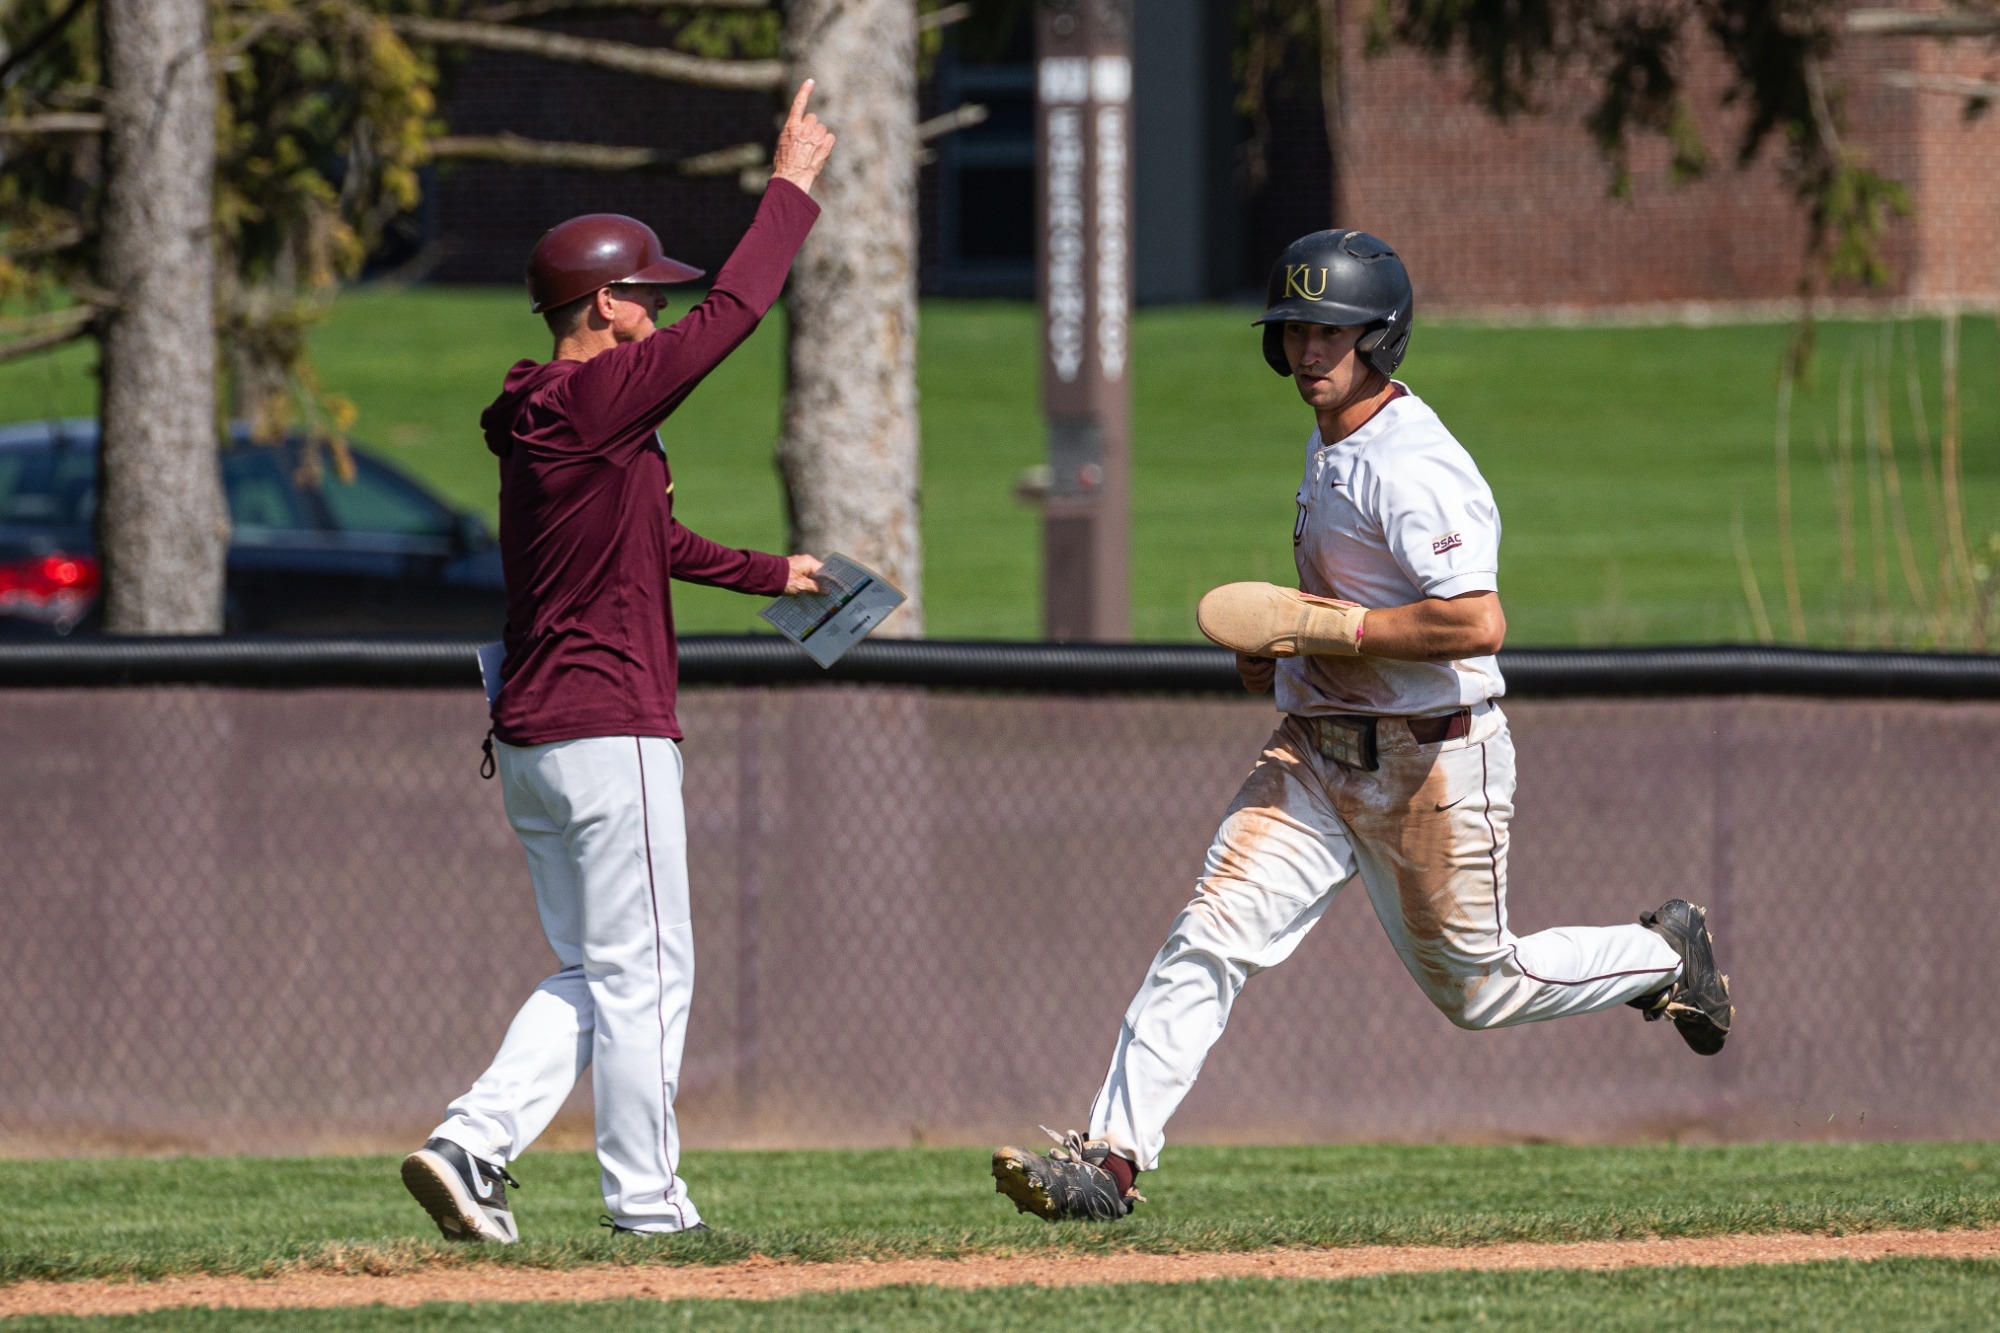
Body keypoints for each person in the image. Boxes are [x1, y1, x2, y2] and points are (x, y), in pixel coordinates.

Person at [991, 229, 1734, 1223]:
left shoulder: (1412, 461)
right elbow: (1341, 619)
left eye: (1330, 331)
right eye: (1294, 329)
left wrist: (1322, 629)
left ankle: (1661, 958)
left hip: (1428, 762)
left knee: (1477, 990)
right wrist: (1284, 649)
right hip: (1313, 756)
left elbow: (1474, 620)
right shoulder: (1332, 434)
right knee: (1207, 935)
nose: (1308, 350)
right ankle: (1108, 1164)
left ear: (1378, 338)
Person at [400, 82, 835, 1242]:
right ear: (603, 303)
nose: (660, 311)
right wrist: (788, 186)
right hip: (607, 730)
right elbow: (736, 311)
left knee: (598, 974)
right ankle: (647, 1203)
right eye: (646, 296)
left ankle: (469, 1144)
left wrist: (774, 574)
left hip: (538, 737)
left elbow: (654, 540)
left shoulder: (555, 417)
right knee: (647, 977)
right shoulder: (599, 393)